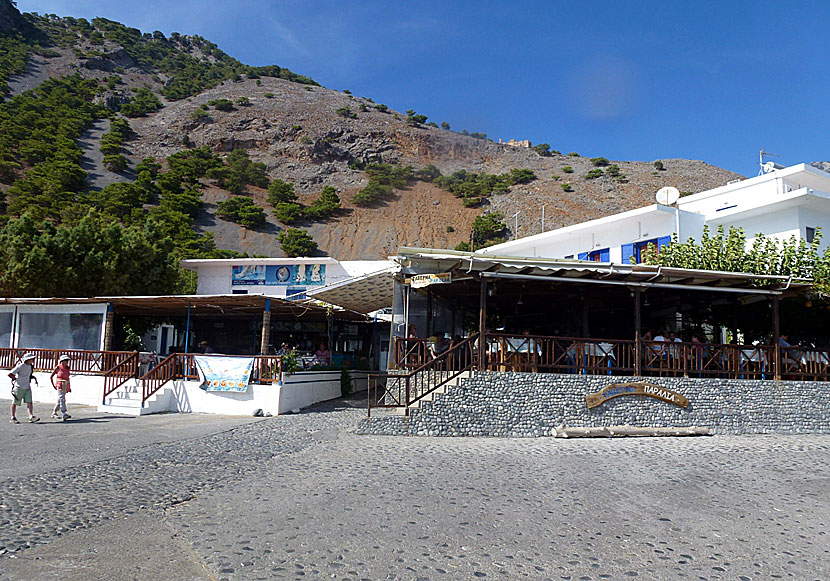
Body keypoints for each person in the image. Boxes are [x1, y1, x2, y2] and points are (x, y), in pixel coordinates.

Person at [8, 353, 39, 424]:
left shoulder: (30, 366)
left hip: (27, 386)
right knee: (15, 402)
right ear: (27, 359)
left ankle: (31, 416)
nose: (32, 360)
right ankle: (13, 417)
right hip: (19, 387)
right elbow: (10, 374)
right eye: (31, 359)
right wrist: (16, 379)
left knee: (29, 402)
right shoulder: (21, 366)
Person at [49, 354, 72, 421]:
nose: (67, 362)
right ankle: (64, 413)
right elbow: (51, 376)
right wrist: (54, 385)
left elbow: (68, 378)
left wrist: (69, 387)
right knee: (62, 398)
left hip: (65, 384)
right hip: (60, 384)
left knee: (60, 399)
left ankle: (54, 412)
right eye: (65, 360)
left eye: (67, 360)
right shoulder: (58, 367)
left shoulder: (67, 368)